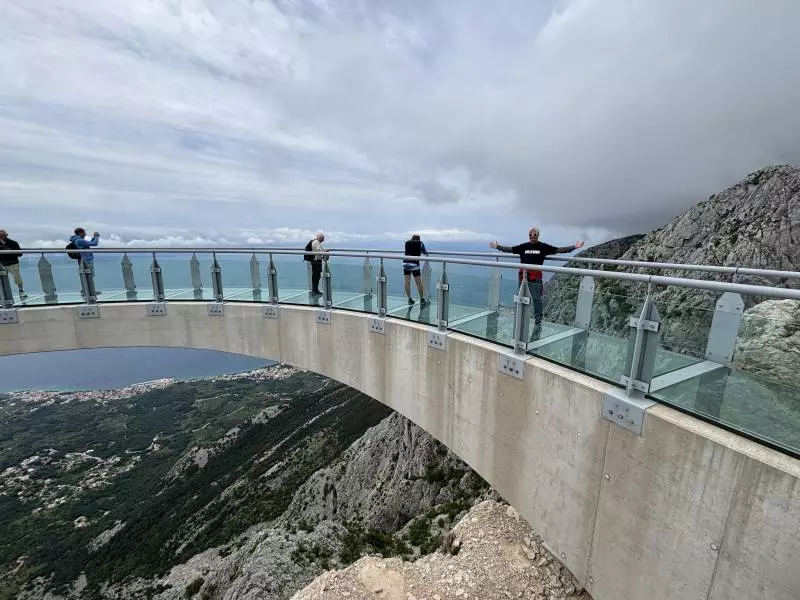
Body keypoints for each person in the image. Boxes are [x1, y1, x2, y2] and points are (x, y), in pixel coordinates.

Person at [489, 228, 584, 327]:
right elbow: (510, 249)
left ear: (538, 235)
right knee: (521, 297)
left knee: (536, 299)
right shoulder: (523, 246)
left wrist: (574, 247)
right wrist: (498, 246)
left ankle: (538, 321)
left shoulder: (543, 247)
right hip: (523, 276)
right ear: (528, 235)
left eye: (534, 234)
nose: (532, 236)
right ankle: (520, 318)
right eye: (531, 234)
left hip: (535, 277)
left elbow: (559, 250)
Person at [0, 229, 26, 300]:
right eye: (1, 236)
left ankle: (21, 291)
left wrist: (10, 252)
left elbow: (20, 254)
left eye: (4, 235)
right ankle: (1, 294)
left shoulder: (13, 243)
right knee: (2, 278)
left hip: (13, 263)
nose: (3, 237)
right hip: (2, 264)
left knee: (17, 278)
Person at [403, 234, 428, 305]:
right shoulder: (420, 243)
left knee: (407, 282)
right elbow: (424, 252)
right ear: (419, 239)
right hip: (414, 264)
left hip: (405, 264)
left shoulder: (407, 243)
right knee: (418, 282)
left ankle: (409, 299)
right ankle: (421, 299)